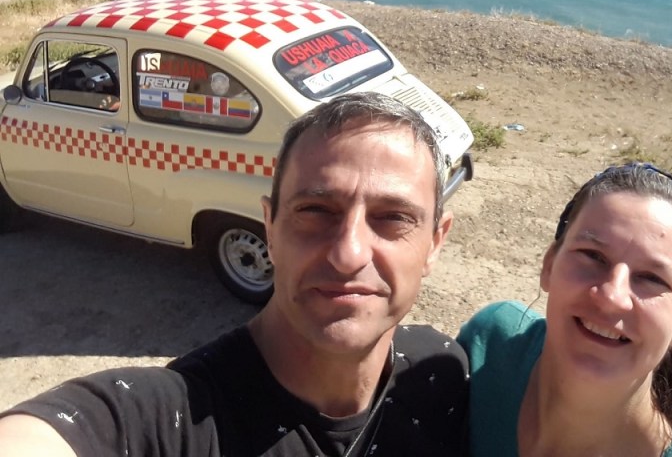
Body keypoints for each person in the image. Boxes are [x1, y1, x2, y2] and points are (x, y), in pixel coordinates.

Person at [0, 92, 469, 456]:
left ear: (435, 242)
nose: (349, 253)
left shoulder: (443, 374)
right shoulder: (173, 419)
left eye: (393, 218)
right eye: (315, 210)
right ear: (270, 228)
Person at [458, 162, 672, 457]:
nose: (612, 296)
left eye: (652, 278)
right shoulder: (489, 347)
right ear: (549, 265)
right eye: (593, 256)